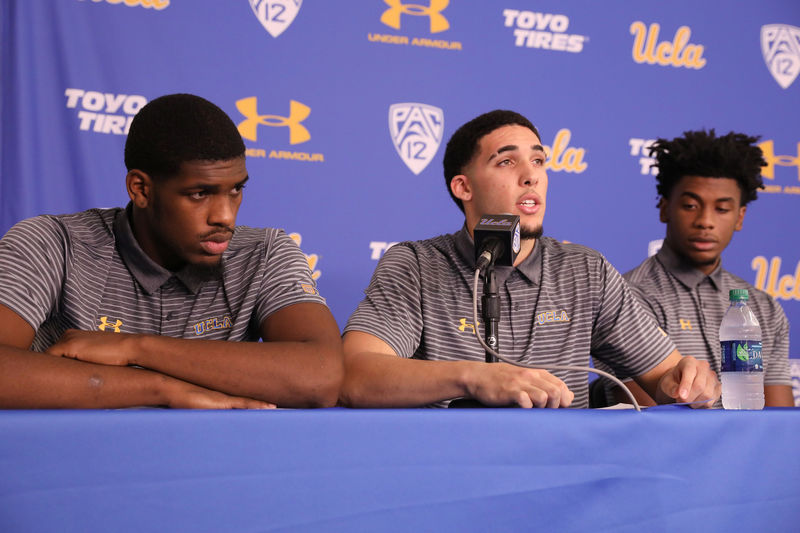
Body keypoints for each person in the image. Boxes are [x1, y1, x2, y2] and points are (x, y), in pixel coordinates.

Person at [340, 110, 719, 409]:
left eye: (538, 162)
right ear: (464, 187)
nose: (530, 177)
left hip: (563, 477)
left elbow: (667, 378)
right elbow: (354, 375)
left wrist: (687, 382)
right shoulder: (416, 266)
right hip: (449, 475)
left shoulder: (586, 271)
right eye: (507, 162)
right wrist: (474, 378)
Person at [0, 93, 343, 409]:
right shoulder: (52, 243)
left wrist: (135, 347)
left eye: (236, 190)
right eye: (199, 193)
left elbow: (321, 376)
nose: (224, 216)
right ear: (141, 189)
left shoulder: (264, 253)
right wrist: (161, 388)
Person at [593, 130, 793, 407]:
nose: (705, 221)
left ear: (740, 217)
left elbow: (779, 421)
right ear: (664, 209)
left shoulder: (764, 308)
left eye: (722, 209)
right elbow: (644, 421)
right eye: (690, 205)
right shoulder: (622, 298)